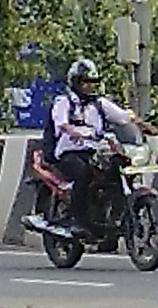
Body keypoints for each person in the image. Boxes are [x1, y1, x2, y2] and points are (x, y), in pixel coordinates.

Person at [43, 59, 135, 229]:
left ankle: (109, 221)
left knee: (116, 171)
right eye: (85, 82)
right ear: (75, 82)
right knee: (84, 174)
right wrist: (77, 131)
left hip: (95, 152)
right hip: (69, 152)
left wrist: (144, 126)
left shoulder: (99, 104)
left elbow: (124, 117)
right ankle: (77, 220)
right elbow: (62, 124)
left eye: (92, 82)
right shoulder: (63, 102)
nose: (89, 86)